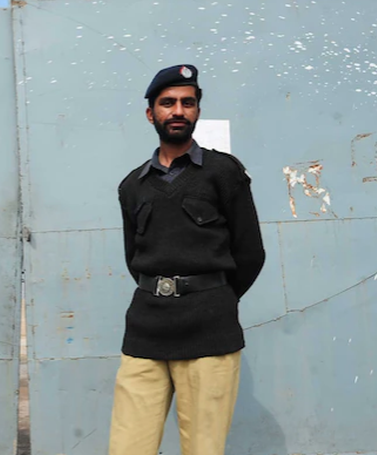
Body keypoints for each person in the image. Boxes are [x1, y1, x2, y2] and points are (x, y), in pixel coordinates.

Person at [109, 65, 266, 455]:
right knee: (127, 447)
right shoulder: (132, 186)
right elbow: (135, 258)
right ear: (151, 114)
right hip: (145, 330)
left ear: (196, 111)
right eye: (167, 103)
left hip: (209, 329)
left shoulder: (223, 172)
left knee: (203, 449)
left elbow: (250, 253)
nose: (178, 111)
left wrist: (214, 298)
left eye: (187, 103)